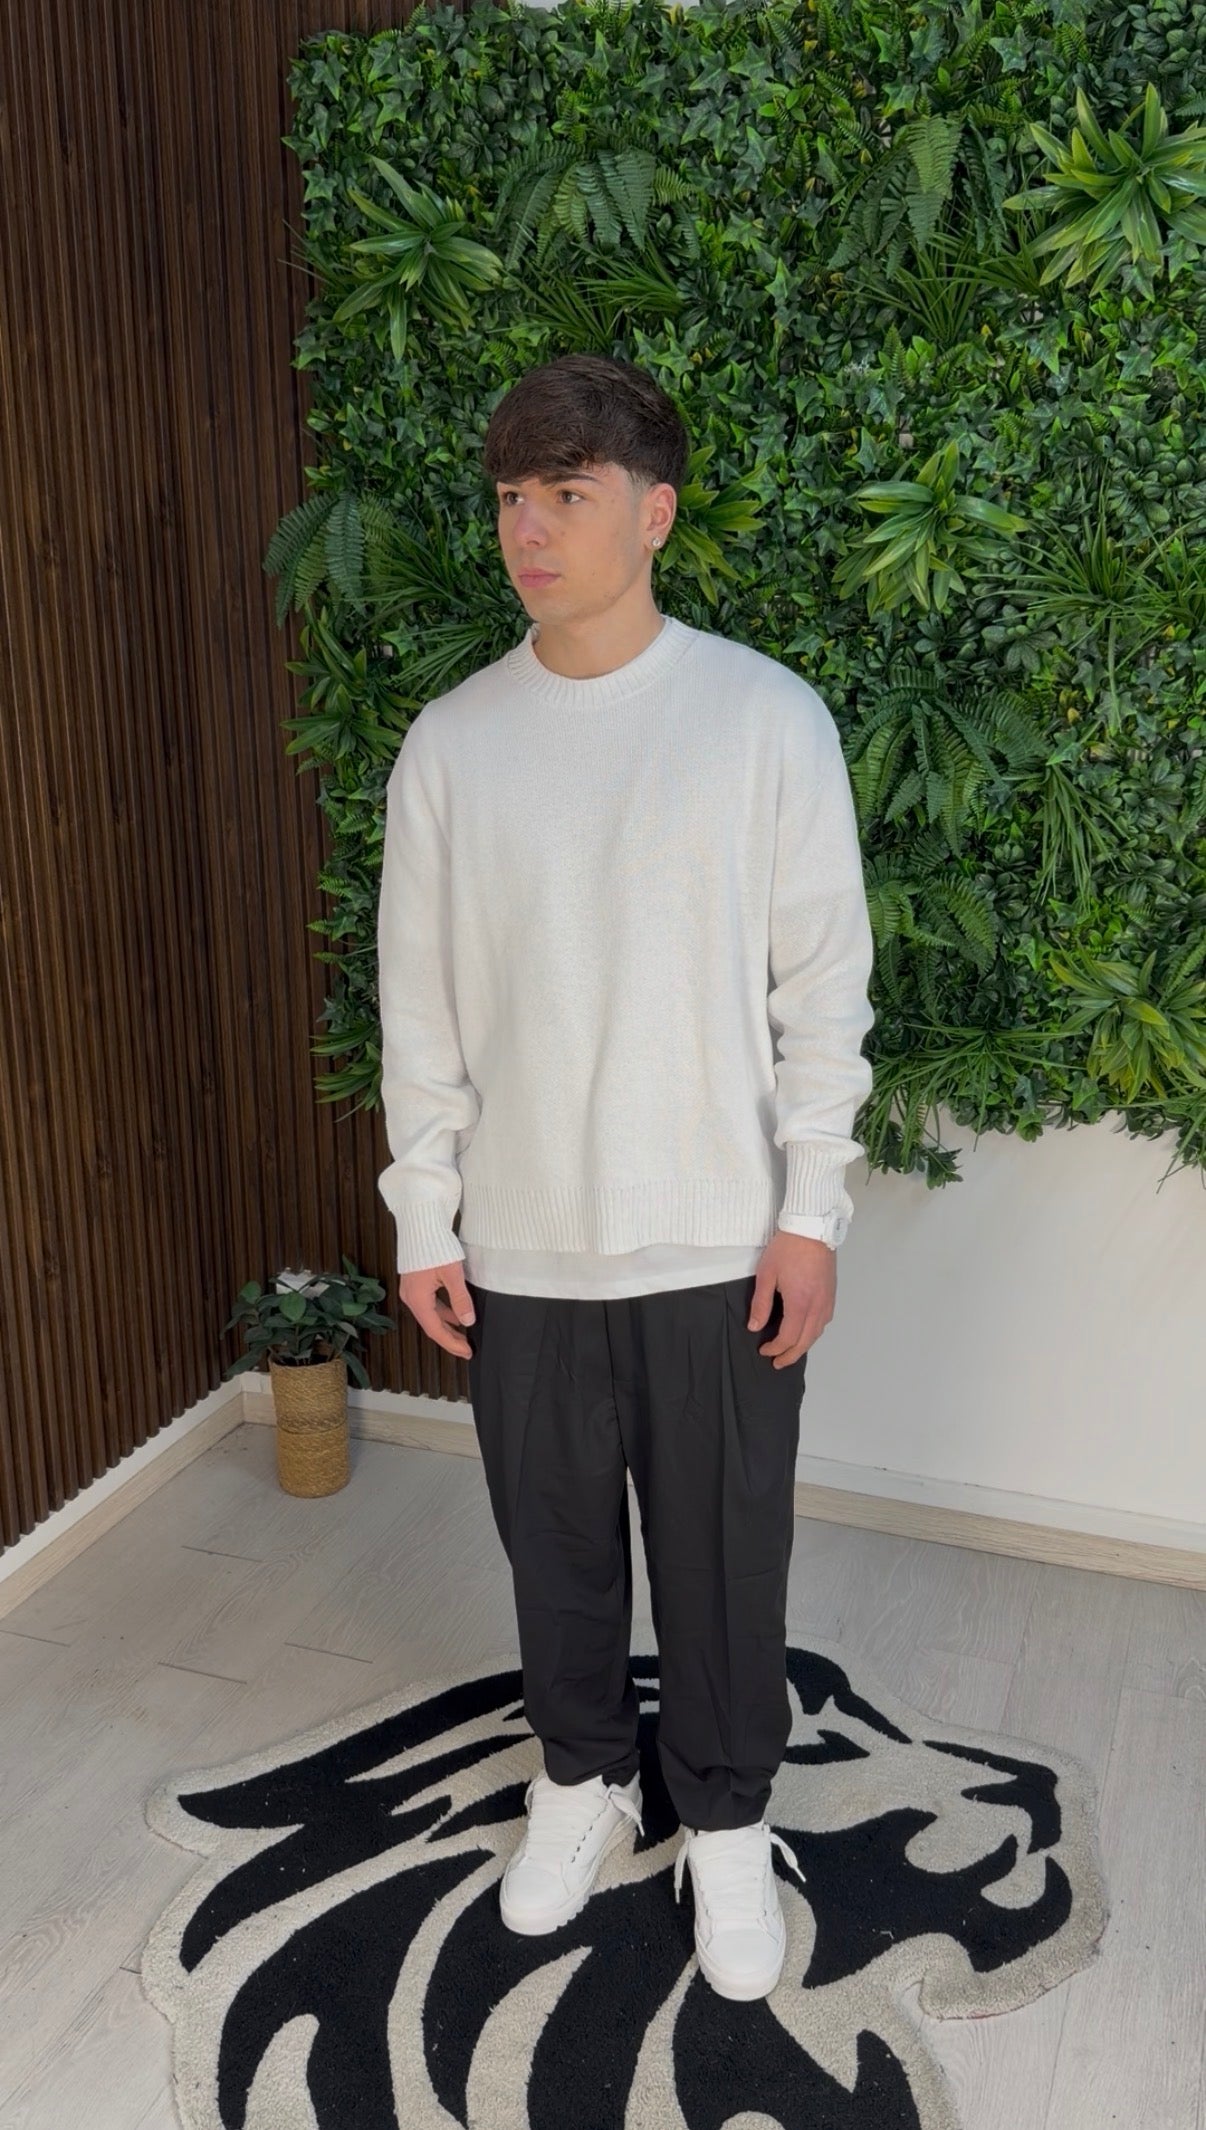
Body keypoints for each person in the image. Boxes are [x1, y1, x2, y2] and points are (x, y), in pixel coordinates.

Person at [376, 352, 875, 2003]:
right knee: (554, 1549)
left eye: (567, 495)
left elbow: (822, 989)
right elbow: (420, 1005)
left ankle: (724, 1817)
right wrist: (426, 1212)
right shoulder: (453, 745)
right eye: (511, 497)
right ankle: (581, 1777)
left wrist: (809, 1212)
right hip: (523, 1242)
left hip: (715, 1236)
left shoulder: (762, 719)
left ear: (651, 513)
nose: (528, 529)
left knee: (727, 1554)